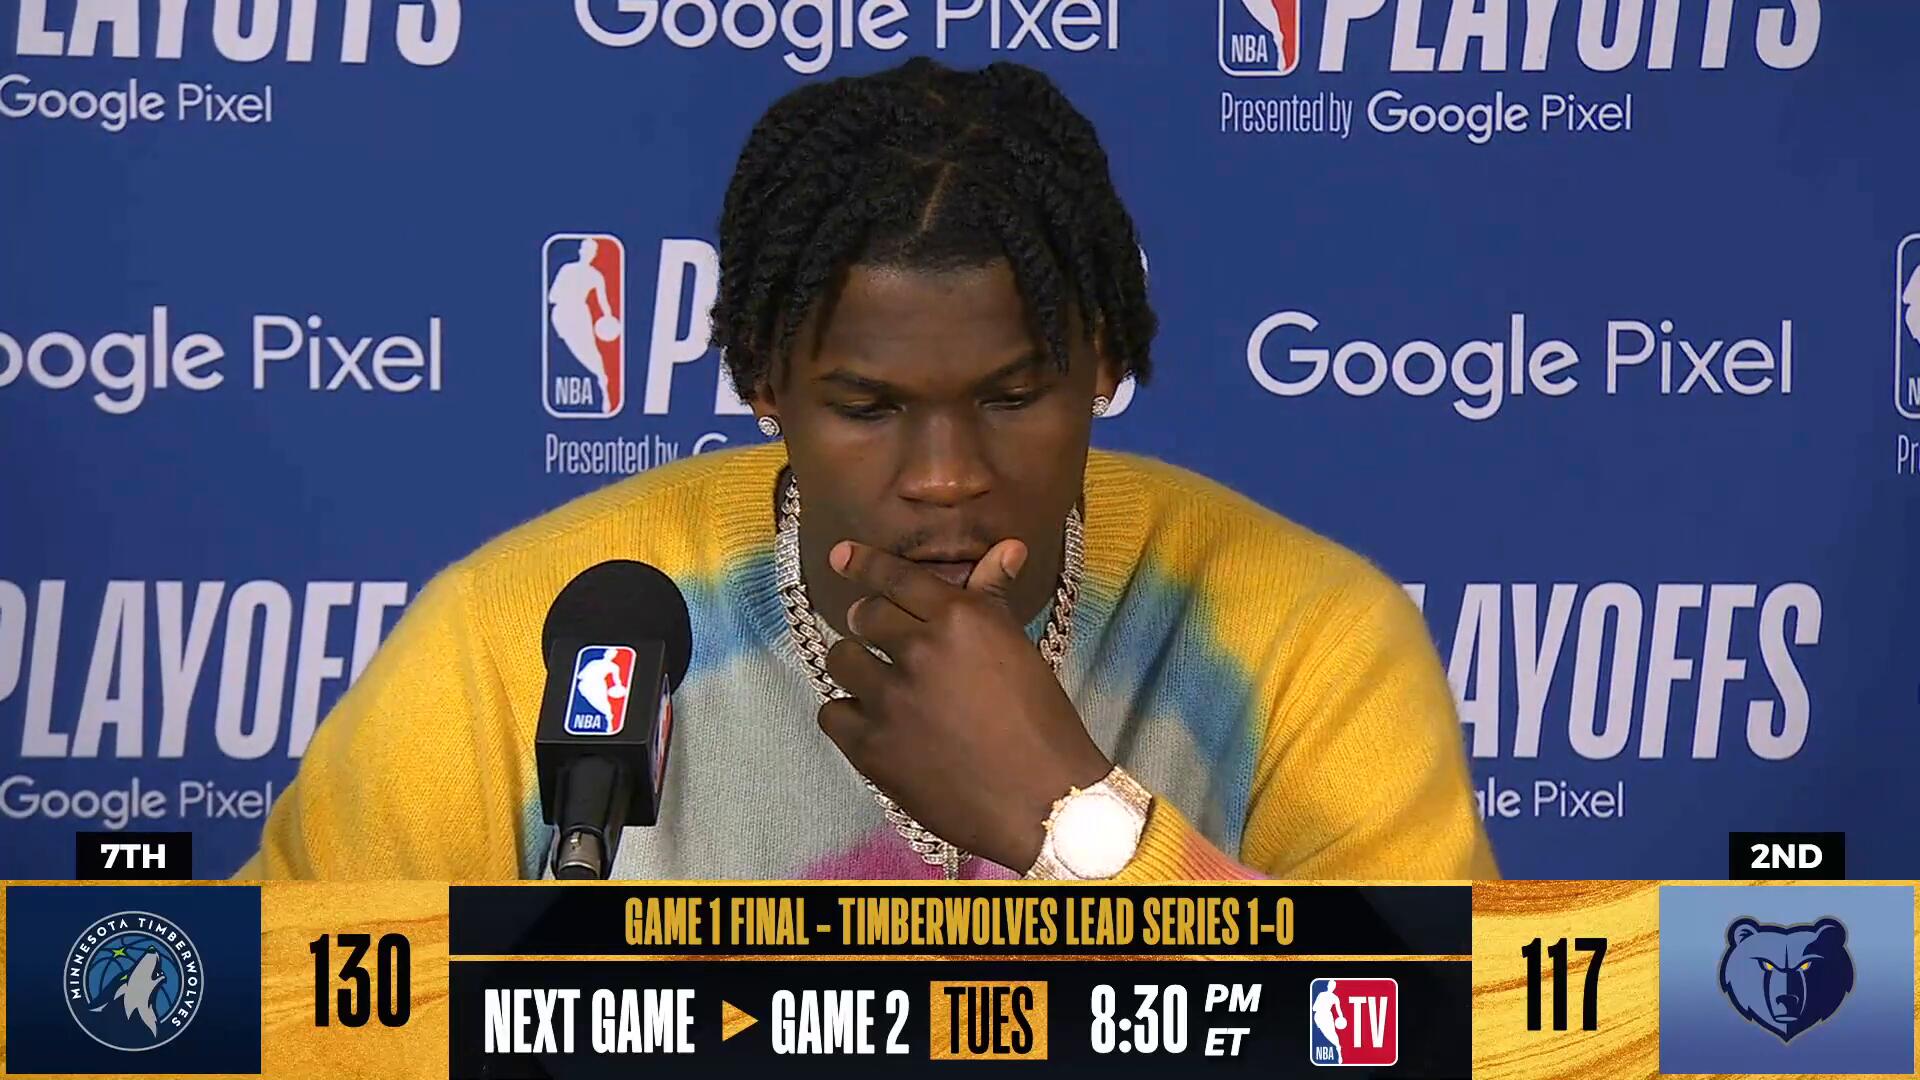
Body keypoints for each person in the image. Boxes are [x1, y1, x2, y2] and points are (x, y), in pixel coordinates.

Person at [238, 58, 1495, 882]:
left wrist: (1078, 820)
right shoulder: (525, 638)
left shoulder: (1298, 639)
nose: (944, 477)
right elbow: (259, 1023)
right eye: (867, 406)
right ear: (761, 380)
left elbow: (1458, 1041)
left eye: (1011, 397)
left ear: (1105, 363)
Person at [548, 237, 616, 413]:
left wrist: (609, 318)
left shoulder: (596, 276)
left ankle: (604, 387)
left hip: (580, 314)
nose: (588, 254)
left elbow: (603, 301)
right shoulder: (566, 269)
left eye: (592, 251)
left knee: (591, 351)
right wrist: (566, 296)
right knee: (571, 349)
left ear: (595, 255)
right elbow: (552, 296)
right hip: (562, 313)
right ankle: (599, 379)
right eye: (586, 250)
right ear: (580, 251)